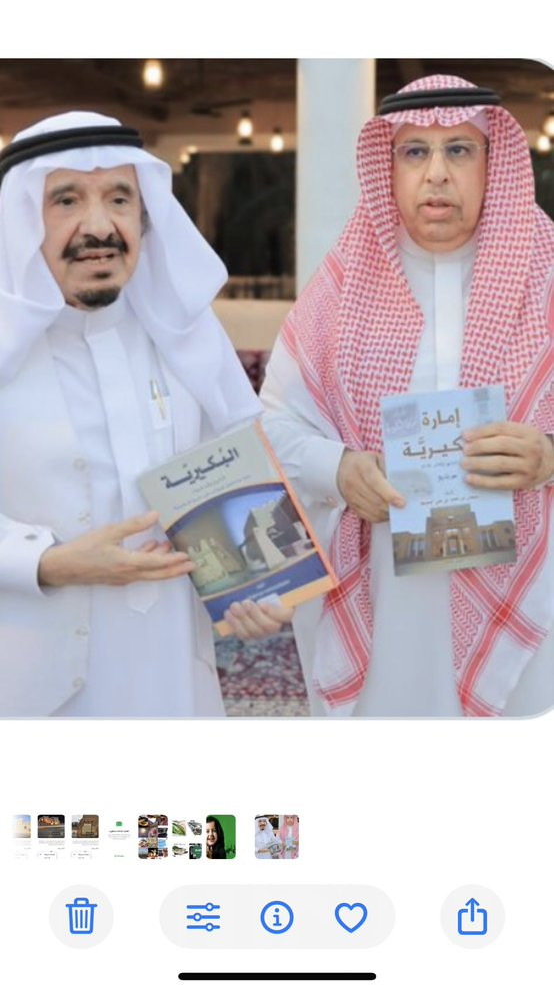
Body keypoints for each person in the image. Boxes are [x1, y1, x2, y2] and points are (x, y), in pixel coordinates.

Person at [261, 74, 554, 718]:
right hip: (383, 607)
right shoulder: (340, 291)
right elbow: (271, 429)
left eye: (459, 150)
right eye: (415, 151)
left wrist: (549, 456)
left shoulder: (547, 275)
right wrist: (337, 470)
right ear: (388, 169)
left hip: (534, 606)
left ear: (493, 162)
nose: (436, 173)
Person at [0, 110, 290, 718]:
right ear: (24, 221)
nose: (98, 226)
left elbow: (238, 467)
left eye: (119, 199)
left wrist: (260, 588)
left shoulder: (185, 335)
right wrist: (46, 562)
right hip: (27, 682)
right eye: (67, 200)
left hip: (169, 674)